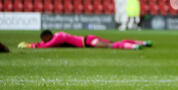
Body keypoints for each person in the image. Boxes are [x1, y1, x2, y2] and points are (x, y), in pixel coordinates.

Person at [17, 30, 152, 50]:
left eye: (43, 39)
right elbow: (46, 43)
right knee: (113, 42)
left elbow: (48, 45)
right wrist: (34, 44)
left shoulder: (58, 37)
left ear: (47, 36)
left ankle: (134, 46)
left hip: (88, 42)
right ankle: (142, 42)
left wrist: (32, 46)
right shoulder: (58, 35)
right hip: (87, 40)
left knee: (112, 45)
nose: (44, 41)